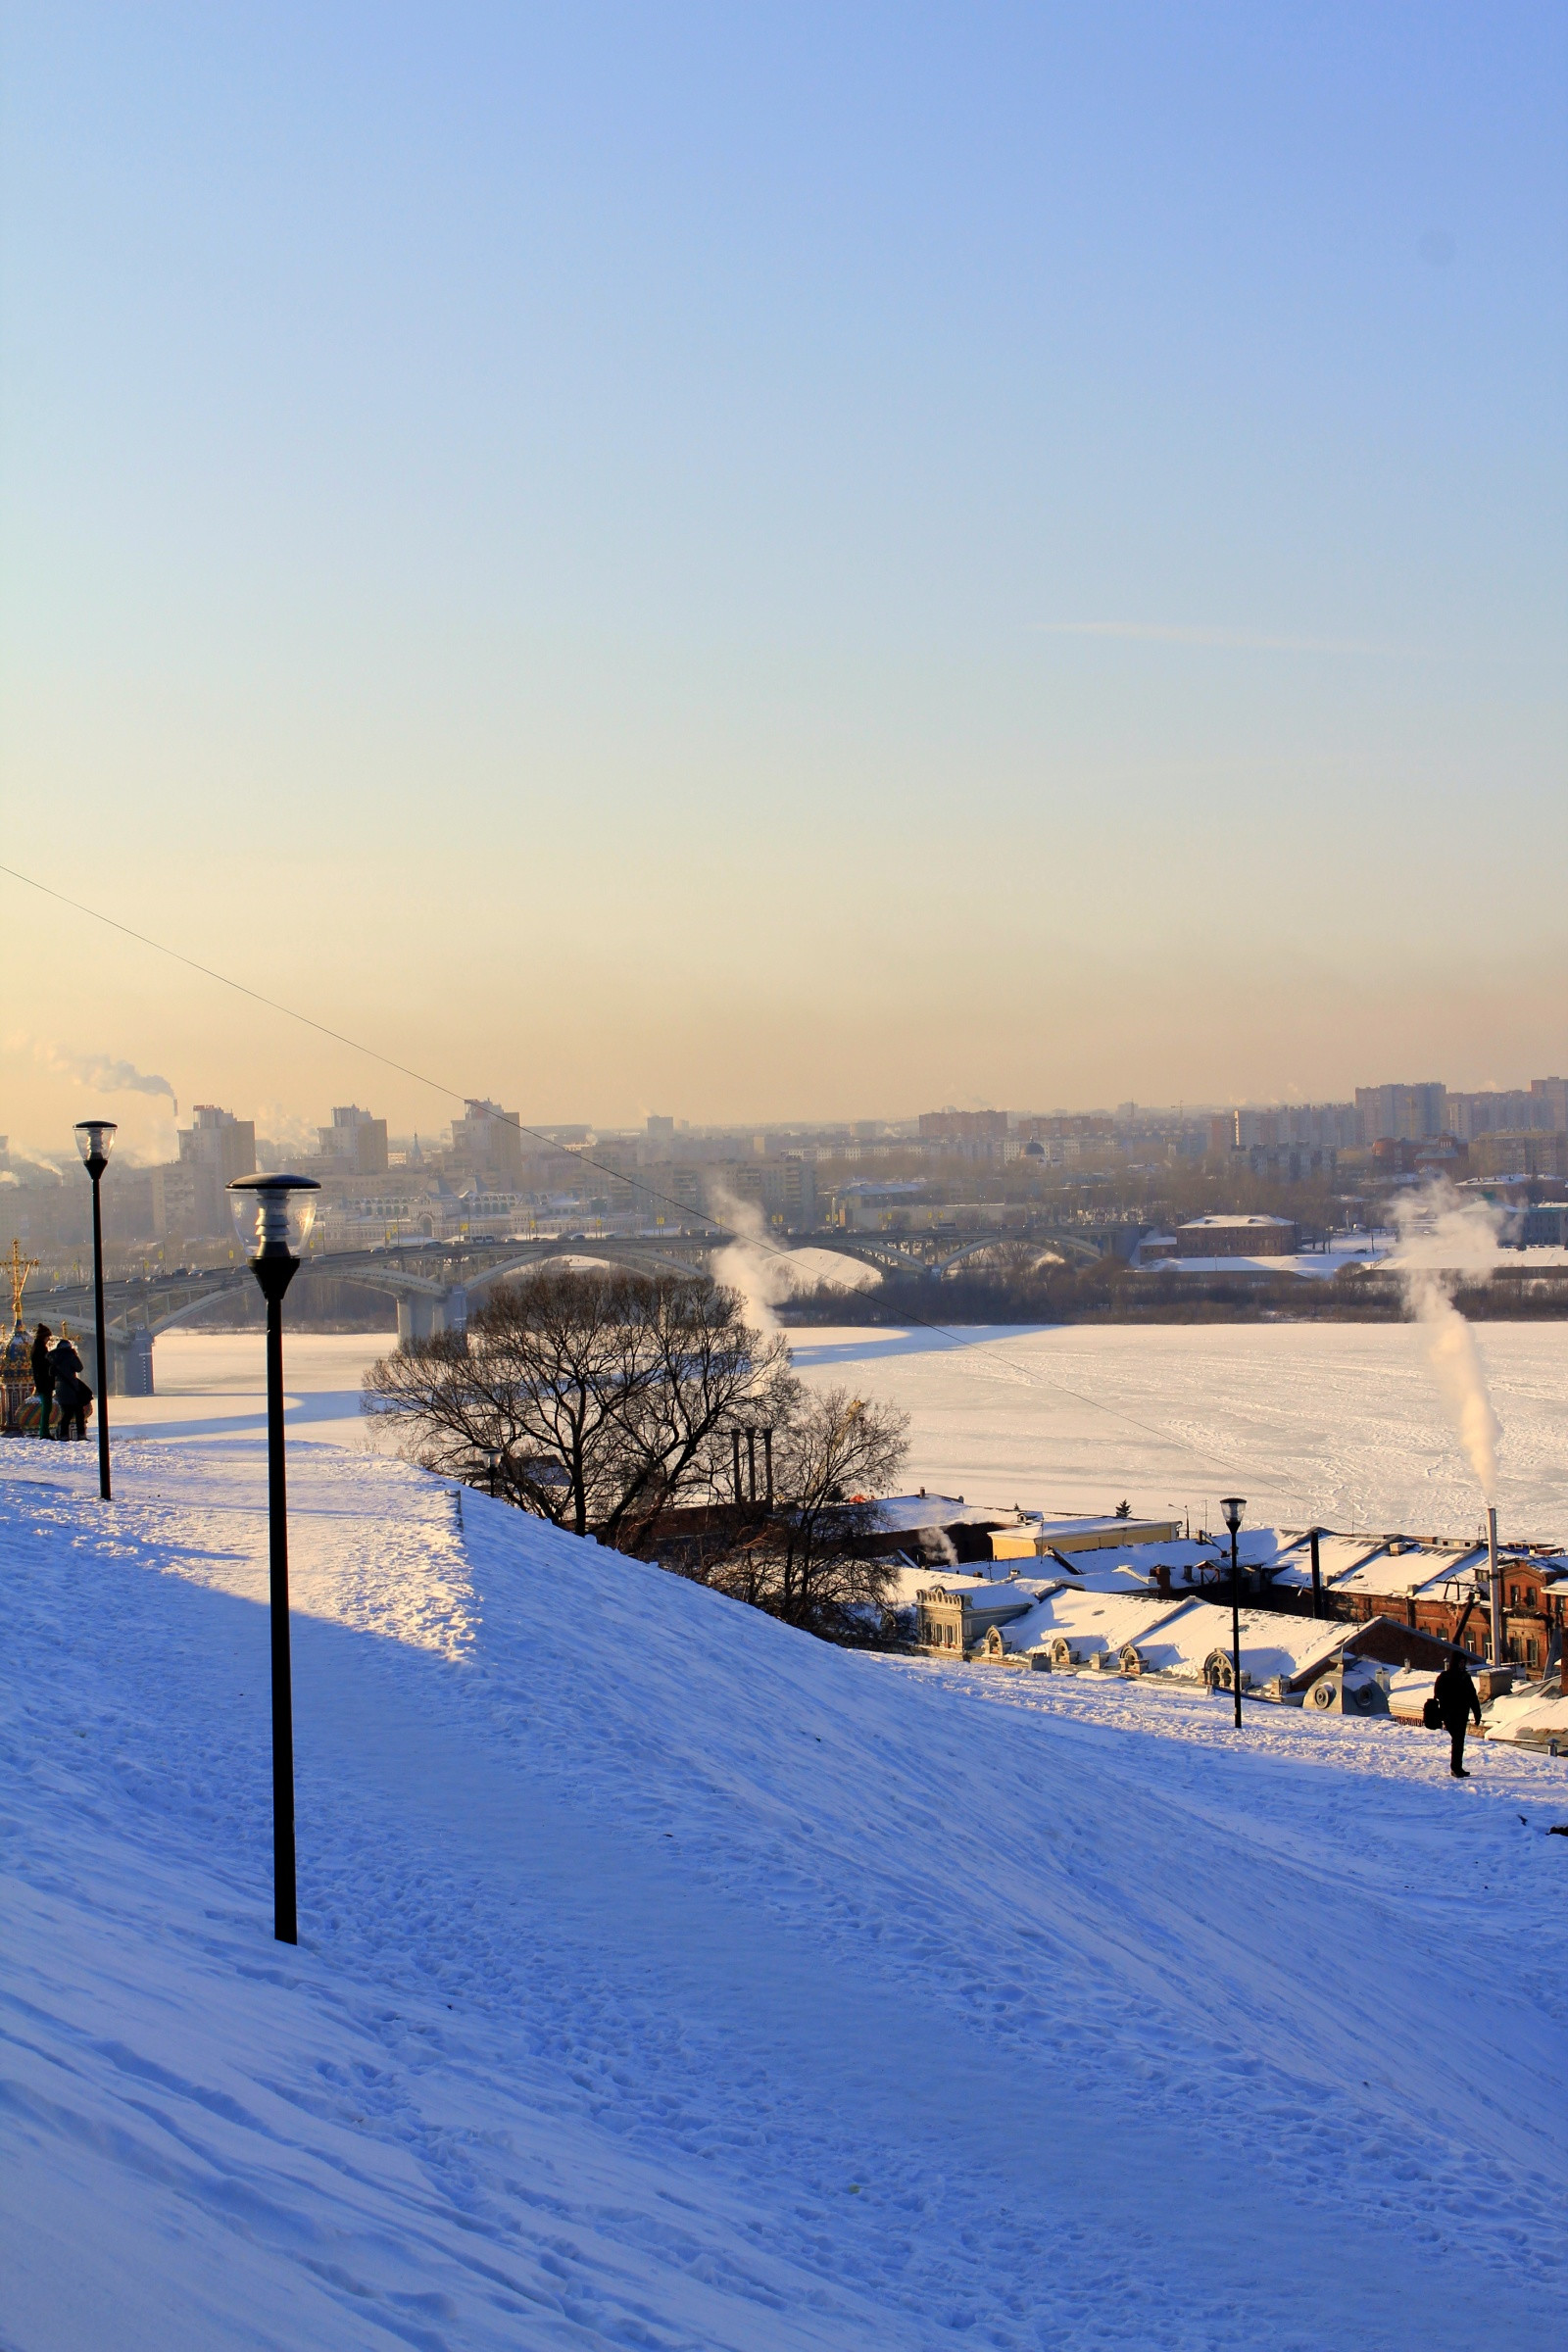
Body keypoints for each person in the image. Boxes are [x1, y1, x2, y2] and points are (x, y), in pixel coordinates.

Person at [1434, 1650, 1483, 1779]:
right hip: (1450, 1714)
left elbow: (1473, 1696)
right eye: (1460, 1662)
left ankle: (1457, 1767)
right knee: (1457, 1740)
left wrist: (1477, 1714)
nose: (1462, 1664)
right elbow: (1438, 1694)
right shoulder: (1445, 1676)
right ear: (1455, 1663)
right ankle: (1456, 1768)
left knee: (1459, 1741)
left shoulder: (1465, 1677)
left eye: (1463, 1662)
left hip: (1462, 1714)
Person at [51, 1330, 86, 1442]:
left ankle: (63, 1434)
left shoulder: (55, 1358)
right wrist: (75, 1356)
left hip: (60, 1388)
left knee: (66, 1412)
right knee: (79, 1412)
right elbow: (79, 1368)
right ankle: (81, 1434)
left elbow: (51, 1372)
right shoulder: (70, 1356)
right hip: (71, 1388)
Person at [30, 1321, 55, 1437]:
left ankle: (44, 1432)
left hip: (42, 1382)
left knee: (47, 1407)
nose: (49, 1339)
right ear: (43, 1337)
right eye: (48, 1337)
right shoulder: (40, 1349)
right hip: (44, 1382)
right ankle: (44, 1432)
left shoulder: (38, 1347)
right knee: (47, 1407)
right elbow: (44, 1366)